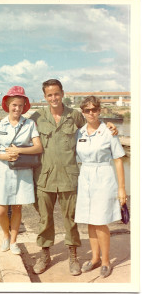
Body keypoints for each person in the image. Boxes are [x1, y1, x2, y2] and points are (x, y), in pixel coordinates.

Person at [0, 79, 117, 275]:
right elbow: (16, 121)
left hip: (69, 177)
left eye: (56, 94)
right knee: (44, 219)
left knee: (71, 219)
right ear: (45, 96)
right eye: (49, 95)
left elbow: (93, 124)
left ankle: (73, 256)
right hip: (44, 177)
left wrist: (109, 125)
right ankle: (45, 254)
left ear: (62, 93)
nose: (53, 98)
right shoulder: (37, 118)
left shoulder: (74, 116)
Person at [0, 86, 43, 255]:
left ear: (25, 106)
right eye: (14, 105)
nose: (17, 108)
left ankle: (14, 240)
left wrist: (19, 151)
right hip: (2, 169)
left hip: (21, 169)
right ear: (8, 105)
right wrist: (5, 157)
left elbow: (38, 147)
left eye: (20, 105)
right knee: (1, 209)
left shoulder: (30, 124)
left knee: (17, 206)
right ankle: (5, 235)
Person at [74, 96, 127, 278]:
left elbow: (118, 160)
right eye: (87, 110)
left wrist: (122, 189)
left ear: (100, 110)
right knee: (90, 219)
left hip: (103, 176)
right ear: (83, 112)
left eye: (94, 109)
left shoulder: (108, 132)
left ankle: (106, 261)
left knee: (100, 220)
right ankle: (95, 258)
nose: (91, 113)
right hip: (85, 176)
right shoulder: (79, 133)